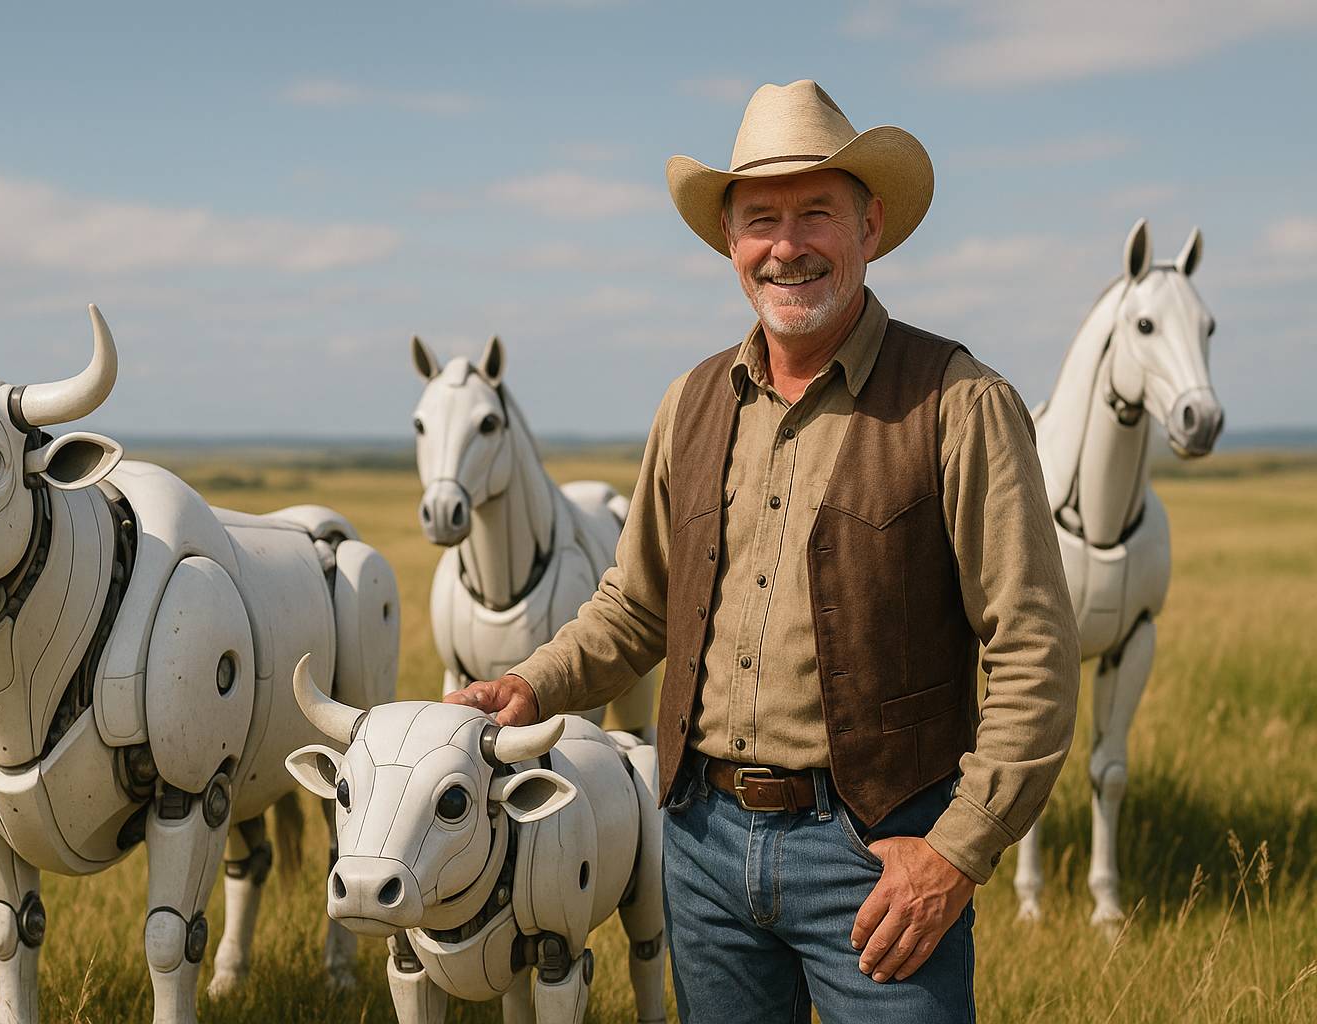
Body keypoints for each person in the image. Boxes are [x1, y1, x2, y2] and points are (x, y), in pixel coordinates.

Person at [445, 79, 1079, 1023]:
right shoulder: (691, 403)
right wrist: (529, 687)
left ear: (868, 224)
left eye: (815, 212)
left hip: (878, 853)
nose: (787, 246)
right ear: (731, 244)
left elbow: (1034, 653)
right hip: (699, 846)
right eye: (761, 219)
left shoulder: (958, 402)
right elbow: (637, 606)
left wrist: (956, 852)